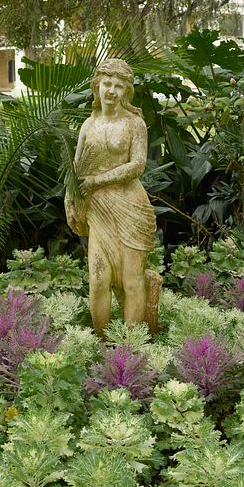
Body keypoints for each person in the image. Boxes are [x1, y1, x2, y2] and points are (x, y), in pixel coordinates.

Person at [66, 58, 160, 337]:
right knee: (97, 280)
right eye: (107, 84)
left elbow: (137, 165)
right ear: (97, 86)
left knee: (132, 282)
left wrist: (98, 180)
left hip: (129, 208)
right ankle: (102, 344)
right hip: (98, 210)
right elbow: (75, 167)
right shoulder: (88, 125)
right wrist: (70, 201)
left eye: (119, 86)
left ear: (126, 92)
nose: (111, 91)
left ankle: (130, 349)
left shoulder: (134, 124)